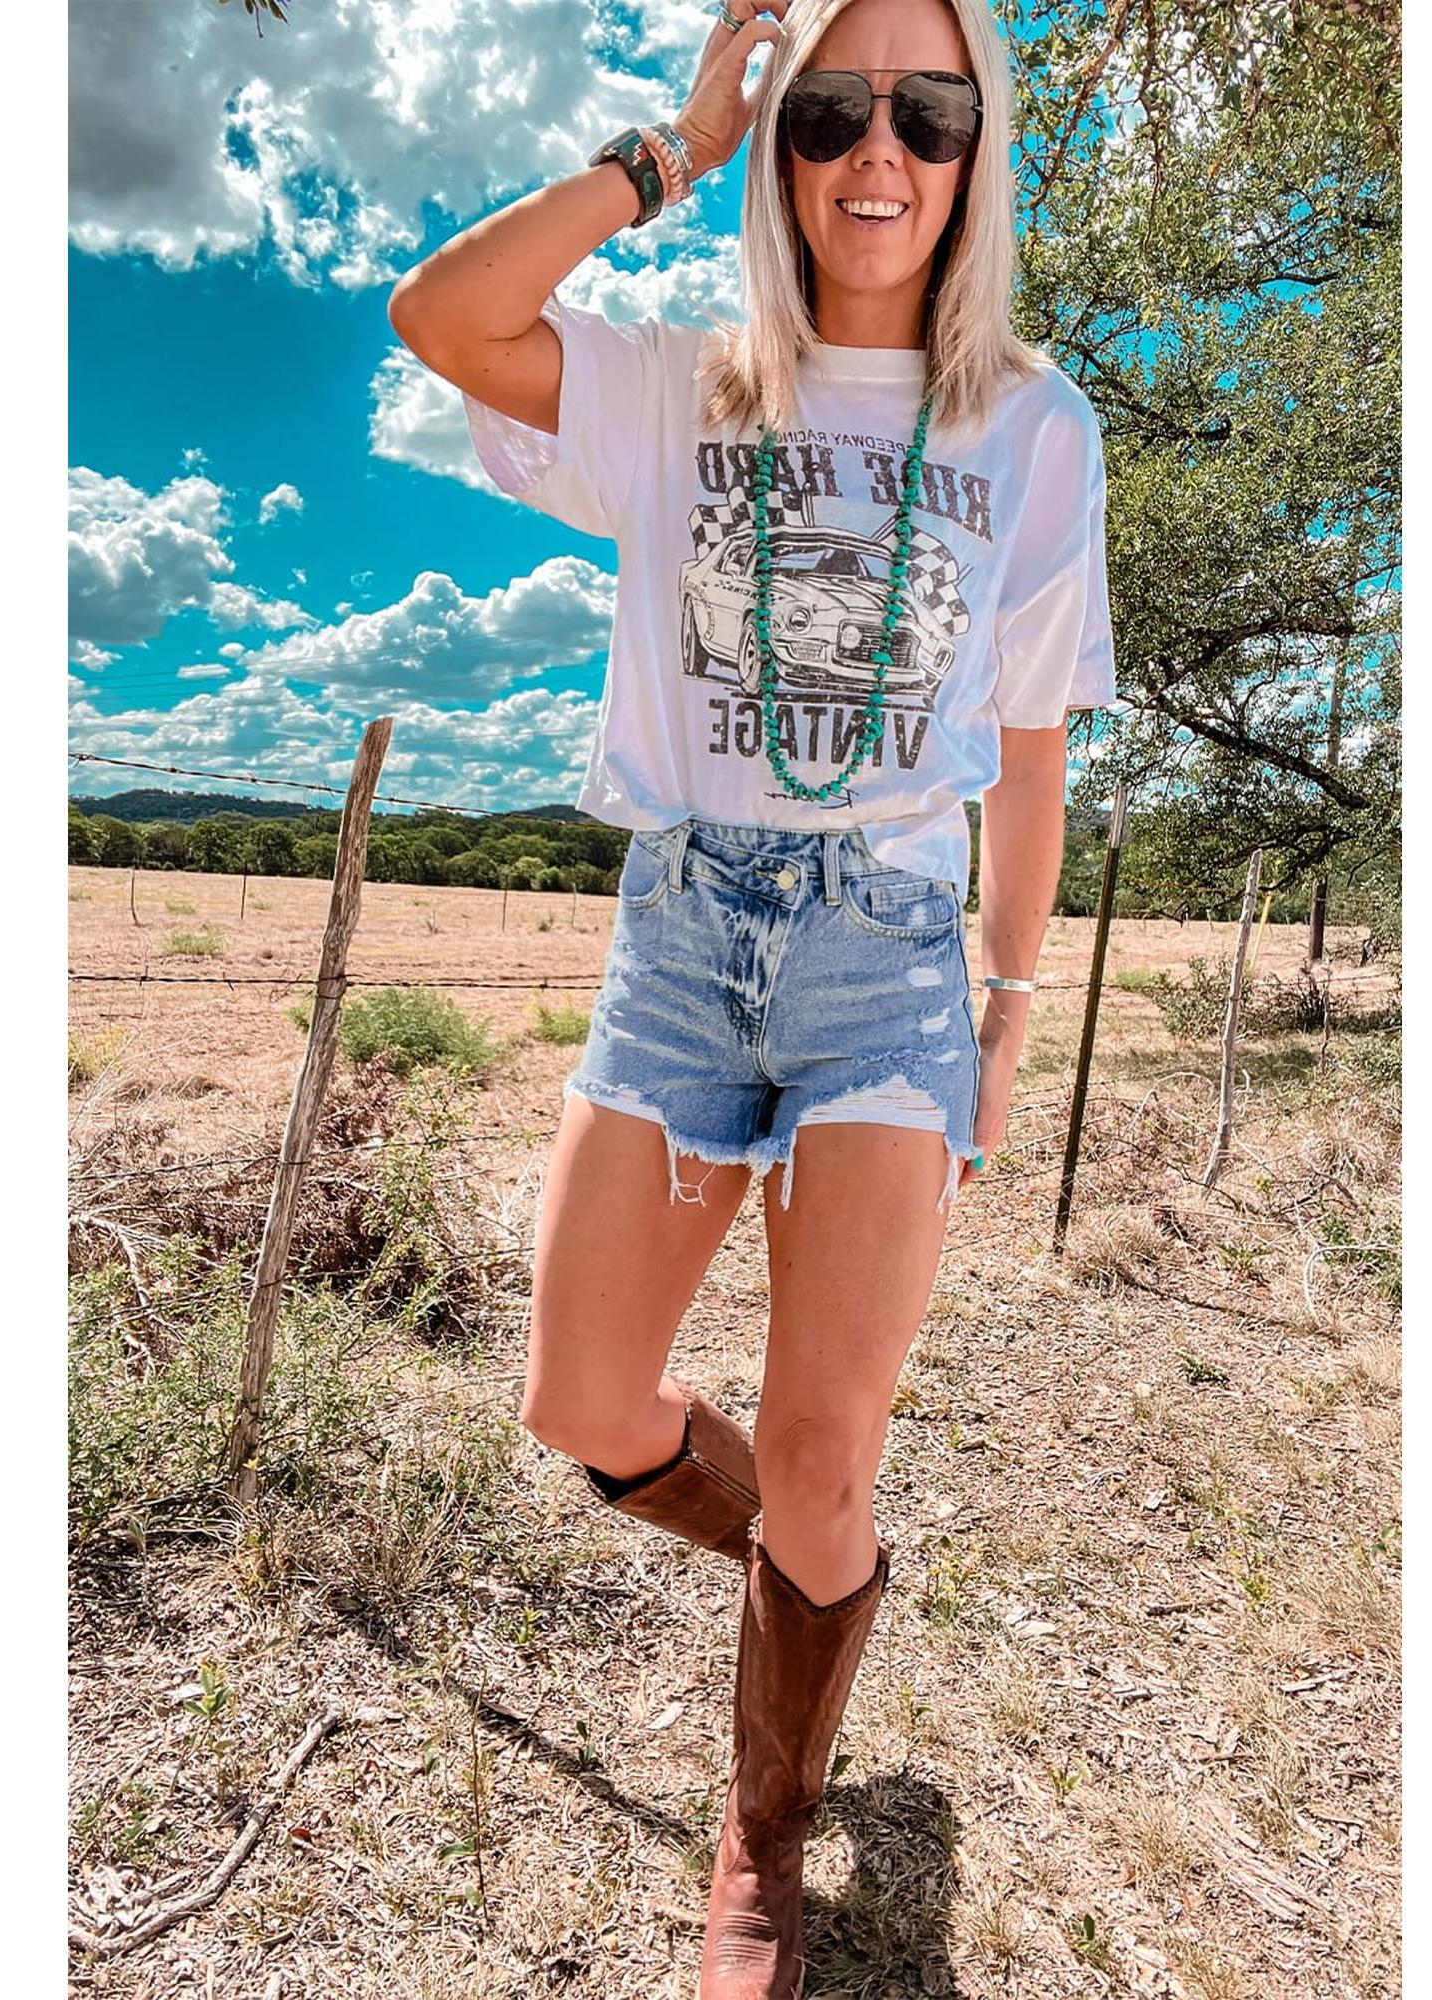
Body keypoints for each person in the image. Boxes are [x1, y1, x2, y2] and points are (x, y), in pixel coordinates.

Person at [387, 0, 1117, 1990]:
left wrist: (1008, 1007)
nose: (879, 148)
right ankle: (813, 1571)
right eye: (831, 109)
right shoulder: (680, 386)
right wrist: (666, 157)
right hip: (683, 935)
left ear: (976, 150)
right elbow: (442, 317)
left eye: (929, 109)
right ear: (781, 140)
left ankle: (759, 1838)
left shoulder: (1033, 429)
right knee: (580, 1397)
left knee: (825, 1444)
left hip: (889, 949)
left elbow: (1029, 745)